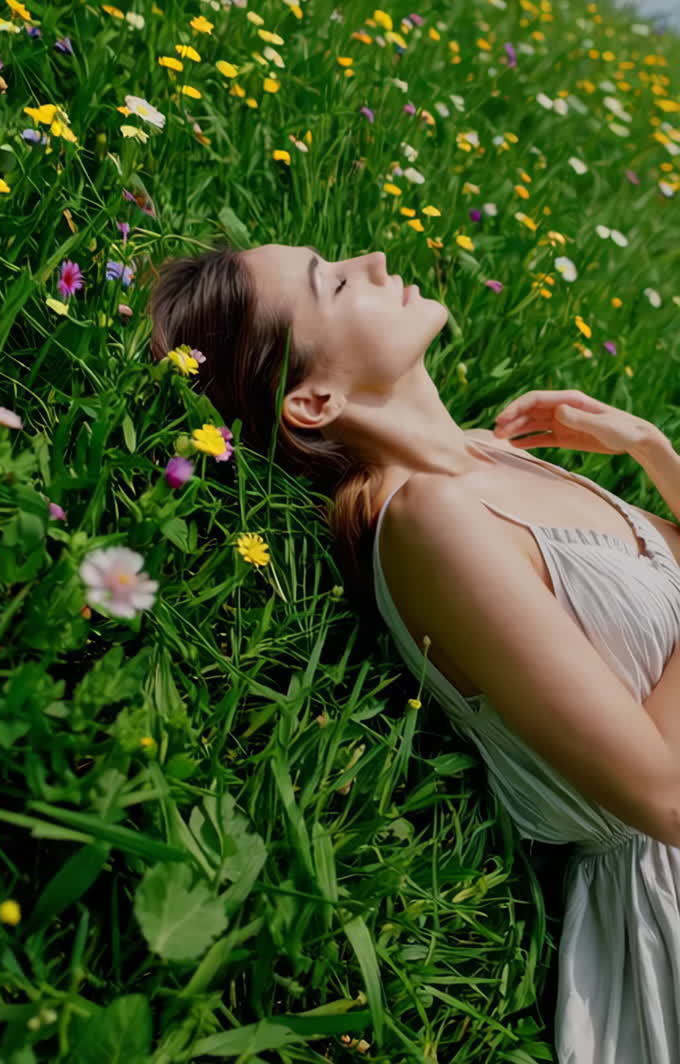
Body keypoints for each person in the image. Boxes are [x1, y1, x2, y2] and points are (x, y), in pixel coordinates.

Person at [149, 241, 680, 1064]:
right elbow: (664, 798)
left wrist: (650, 448)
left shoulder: (488, 454)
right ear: (312, 402)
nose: (371, 257)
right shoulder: (427, 523)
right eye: (331, 282)